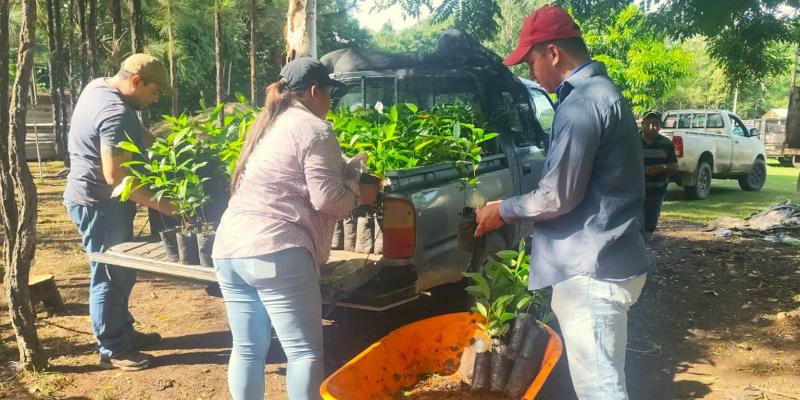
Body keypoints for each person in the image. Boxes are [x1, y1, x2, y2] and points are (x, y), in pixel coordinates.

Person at [473, 5, 652, 399]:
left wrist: (502, 209)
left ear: (553, 53)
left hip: (591, 269)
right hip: (610, 259)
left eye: (531, 61)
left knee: (600, 390)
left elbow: (558, 196)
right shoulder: (604, 94)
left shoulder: (581, 104)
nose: (529, 72)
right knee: (605, 379)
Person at [212, 57, 377, 400]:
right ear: (315, 91)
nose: (331, 103)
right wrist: (362, 193)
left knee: (247, 349)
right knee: (303, 352)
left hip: (229, 250)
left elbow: (291, 174)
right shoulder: (315, 128)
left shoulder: (268, 125)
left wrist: (346, 167)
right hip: (276, 249)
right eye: (330, 94)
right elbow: (328, 199)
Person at [64, 53, 177, 370]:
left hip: (93, 199)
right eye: (154, 92)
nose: (154, 100)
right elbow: (117, 177)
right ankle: (112, 347)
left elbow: (138, 133)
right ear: (136, 81)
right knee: (110, 275)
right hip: (99, 204)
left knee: (122, 271)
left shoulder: (100, 87)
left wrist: (169, 149)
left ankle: (122, 331)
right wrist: (163, 203)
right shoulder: (116, 111)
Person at [640, 111, 678, 240]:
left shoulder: (666, 144)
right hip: (636, 192)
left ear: (660, 126)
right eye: (648, 124)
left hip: (657, 192)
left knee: (650, 225)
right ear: (642, 124)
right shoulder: (633, 143)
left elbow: (675, 167)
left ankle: (645, 247)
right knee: (636, 224)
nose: (651, 127)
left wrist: (662, 167)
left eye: (655, 124)